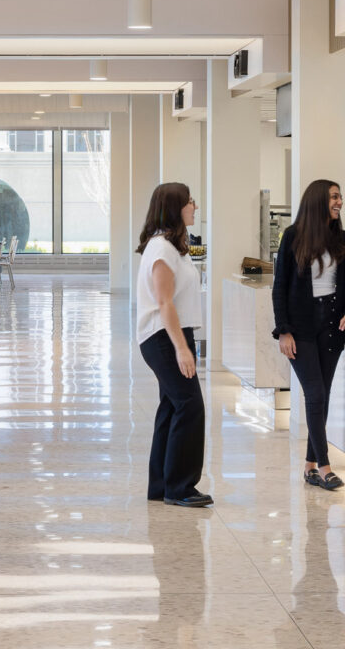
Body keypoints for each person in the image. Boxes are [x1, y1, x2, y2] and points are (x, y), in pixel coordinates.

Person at [272, 179, 345, 492]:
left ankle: (309, 465)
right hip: (301, 326)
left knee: (323, 394)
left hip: (332, 327)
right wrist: (283, 329)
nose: (340, 202)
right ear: (318, 201)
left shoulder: (343, 238)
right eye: (334, 197)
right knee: (315, 393)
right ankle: (324, 466)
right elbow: (279, 285)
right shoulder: (293, 236)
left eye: (340, 196)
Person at [136, 182, 211, 508]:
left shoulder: (169, 245)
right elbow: (164, 303)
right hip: (164, 337)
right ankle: (180, 487)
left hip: (172, 335)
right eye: (189, 202)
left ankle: (162, 484)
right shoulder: (162, 249)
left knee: (172, 406)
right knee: (190, 406)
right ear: (175, 208)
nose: (195, 206)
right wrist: (182, 349)